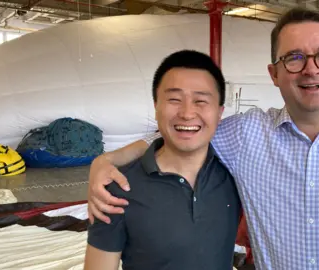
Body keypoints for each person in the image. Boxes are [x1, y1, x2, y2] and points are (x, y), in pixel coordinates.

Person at [87, 7, 319, 270]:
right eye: (294, 58)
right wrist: (105, 160)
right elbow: (186, 129)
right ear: (274, 73)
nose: (311, 68)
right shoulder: (246, 136)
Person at [84, 50, 242, 270]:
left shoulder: (235, 174)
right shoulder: (117, 189)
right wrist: (103, 161)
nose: (187, 113)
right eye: (174, 100)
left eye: (201, 101)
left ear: (220, 112)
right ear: (156, 106)